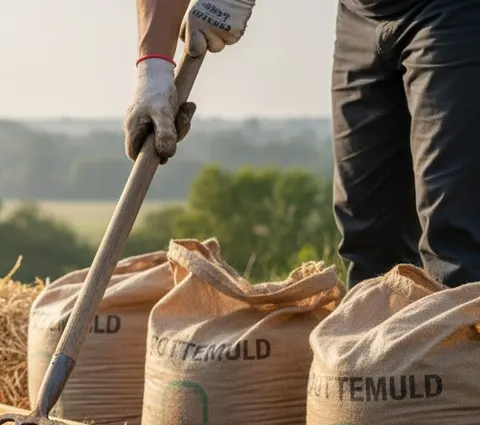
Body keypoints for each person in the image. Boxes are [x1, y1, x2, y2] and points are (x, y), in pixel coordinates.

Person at [126, 0, 480, 289]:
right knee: (370, 238)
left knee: (455, 238)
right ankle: (378, 371)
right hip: (362, 15)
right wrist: (153, 71)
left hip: (457, 13)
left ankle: (459, 369)